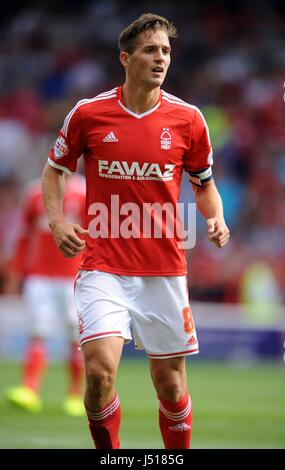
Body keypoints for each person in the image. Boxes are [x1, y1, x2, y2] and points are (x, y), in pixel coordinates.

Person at [41, 13, 230, 448]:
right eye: (150, 50)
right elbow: (54, 171)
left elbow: (205, 185)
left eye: (165, 50)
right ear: (125, 58)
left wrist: (215, 218)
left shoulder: (189, 119)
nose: (160, 57)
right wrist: (57, 220)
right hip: (103, 265)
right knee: (98, 372)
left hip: (164, 269)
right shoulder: (89, 113)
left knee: (171, 385)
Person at [5, 175, 86, 416]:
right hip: (39, 276)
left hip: (74, 276)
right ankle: (30, 390)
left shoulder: (84, 192)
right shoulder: (34, 191)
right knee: (38, 332)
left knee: (76, 336)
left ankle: (75, 394)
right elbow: (22, 234)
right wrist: (16, 271)